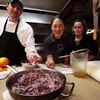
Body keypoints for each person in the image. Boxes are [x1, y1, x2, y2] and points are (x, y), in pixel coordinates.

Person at [0, 0, 42, 65]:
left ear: (22, 11)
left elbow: (30, 47)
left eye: (18, 8)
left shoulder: (27, 28)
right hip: (1, 67)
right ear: (7, 6)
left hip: (19, 68)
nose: (15, 10)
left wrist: (31, 54)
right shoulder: (0, 23)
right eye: (13, 6)